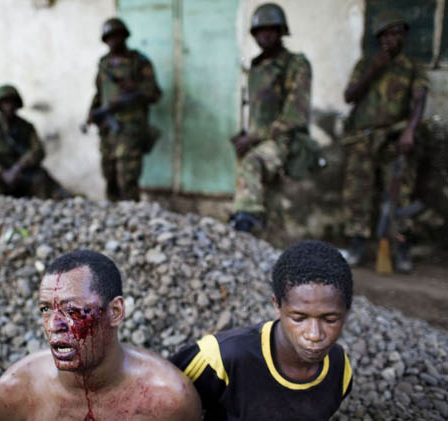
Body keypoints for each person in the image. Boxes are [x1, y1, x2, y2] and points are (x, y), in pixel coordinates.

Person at [0, 250, 202, 421]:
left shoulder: (168, 400)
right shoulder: (14, 393)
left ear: (115, 312)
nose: (54, 325)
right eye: (46, 309)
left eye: (72, 310)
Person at [170, 240, 353, 420]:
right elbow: (157, 397)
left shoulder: (339, 368)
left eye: (330, 320)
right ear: (277, 305)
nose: (314, 334)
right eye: (298, 318)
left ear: (346, 313)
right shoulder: (222, 357)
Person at [341, 12, 428, 272]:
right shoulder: (365, 63)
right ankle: (357, 244)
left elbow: (419, 101)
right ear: (379, 38)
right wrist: (373, 69)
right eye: (387, 34)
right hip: (363, 139)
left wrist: (410, 131)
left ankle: (400, 249)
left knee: (399, 194)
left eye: (398, 33)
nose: (393, 39)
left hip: (395, 139)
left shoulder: (412, 68)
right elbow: (349, 96)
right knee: (357, 192)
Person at [229, 3, 312, 232]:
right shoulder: (256, 67)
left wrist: (255, 137)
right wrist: (244, 135)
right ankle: (272, 253)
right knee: (270, 201)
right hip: (260, 141)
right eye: (259, 31)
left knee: (251, 164)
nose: (264, 36)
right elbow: (257, 112)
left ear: (280, 32)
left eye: (270, 30)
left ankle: (244, 223)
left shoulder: (296, 64)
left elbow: (295, 115)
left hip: (284, 141)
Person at [86, 18, 162, 201]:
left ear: (124, 36)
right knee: (109, 177)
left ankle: (132, 221)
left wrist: (135, 88)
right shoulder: (104, 64)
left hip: (130, 129)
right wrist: (92, 113)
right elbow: (99, 94)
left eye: (116, 36)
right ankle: (113, 224)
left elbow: (155, 94)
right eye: (109, 37)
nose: (113, 41)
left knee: (127, 179)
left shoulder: (138, 62)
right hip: (108, 130)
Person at [0, 85, 67, 199]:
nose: (9, 106)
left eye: (12, 102)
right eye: (5, 102)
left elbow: (38, 150)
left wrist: (19, 167)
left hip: (22, 174)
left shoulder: (27, 128)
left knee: (40, 180)